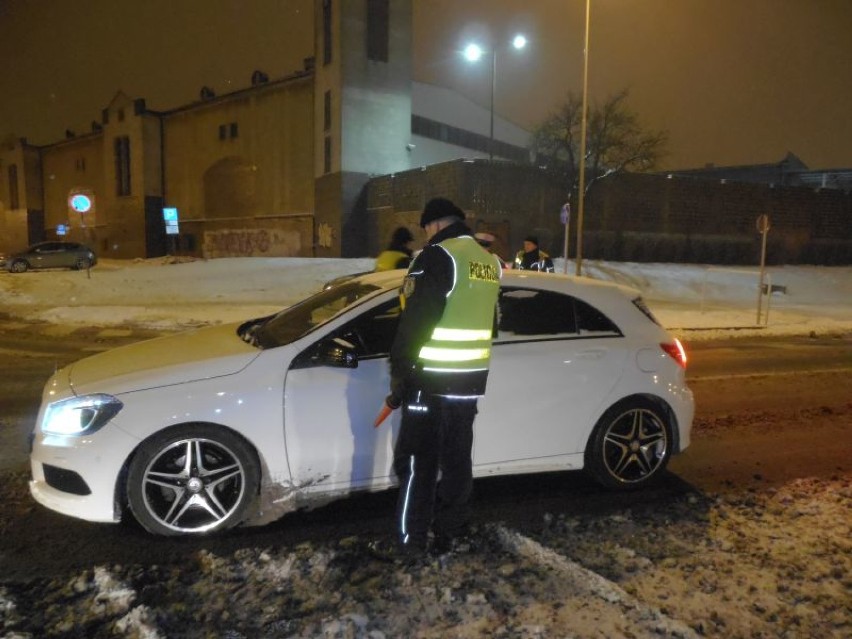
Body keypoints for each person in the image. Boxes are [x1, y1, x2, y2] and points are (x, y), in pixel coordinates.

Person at [381, 197, 501, 560]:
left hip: (430, 380)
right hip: (468, 382)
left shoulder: (437, 257)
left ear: (432, 225)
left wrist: (401, 374)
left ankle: (410, 542)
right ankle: (452, 531)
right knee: (456, 458)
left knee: (418, 462)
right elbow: (493, 322)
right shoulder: (488, 262)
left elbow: (415, 322)